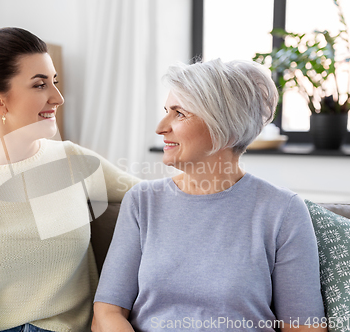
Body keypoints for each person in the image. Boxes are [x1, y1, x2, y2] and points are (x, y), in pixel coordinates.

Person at [0, 27, 139, 332]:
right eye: (39, 85)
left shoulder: (72, 160)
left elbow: (156, 197)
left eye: (55, 83)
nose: (57, 98)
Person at [92, 59, 326, 332]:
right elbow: (107, 313)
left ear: (224, 127)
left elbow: (304, 327)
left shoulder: (282, 210)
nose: (161, 127)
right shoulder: (142, 201)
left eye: (179, 114)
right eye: (166, 111)